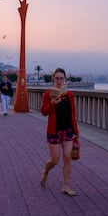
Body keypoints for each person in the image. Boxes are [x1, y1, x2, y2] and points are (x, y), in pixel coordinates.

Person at [39, 68, 79, 196]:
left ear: (65, 79)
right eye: (57, 78)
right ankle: (45, 170)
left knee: (67, 158)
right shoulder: (48, 94)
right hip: (54, 130)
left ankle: (66, 186)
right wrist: (52, 104)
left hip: (67, 130)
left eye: (61, 78)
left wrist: (76, 131)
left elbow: (73, 113)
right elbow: (44, 112)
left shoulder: (70, 95)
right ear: (53, 79)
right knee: (55, 160)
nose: (59, 81)